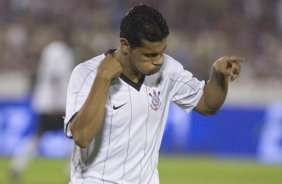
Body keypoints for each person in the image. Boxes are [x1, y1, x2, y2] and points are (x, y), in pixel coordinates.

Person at [64, 4, 243, 184]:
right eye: (150, 55)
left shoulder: (168, 70)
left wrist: (219, 77)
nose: (159, 61)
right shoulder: (87, 74)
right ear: (126, 45)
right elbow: (82, 136)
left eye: (162, 52)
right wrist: (102, 79)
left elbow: (208, 104)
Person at [9, 30, 75, 179]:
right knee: (74, 135)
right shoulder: (61, 51)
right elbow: (55, 77)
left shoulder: (50, 49)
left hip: (45, 102)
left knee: (37, 136)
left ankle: (16, 166)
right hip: (56, 104)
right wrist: (59, 103)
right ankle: (71, 172)